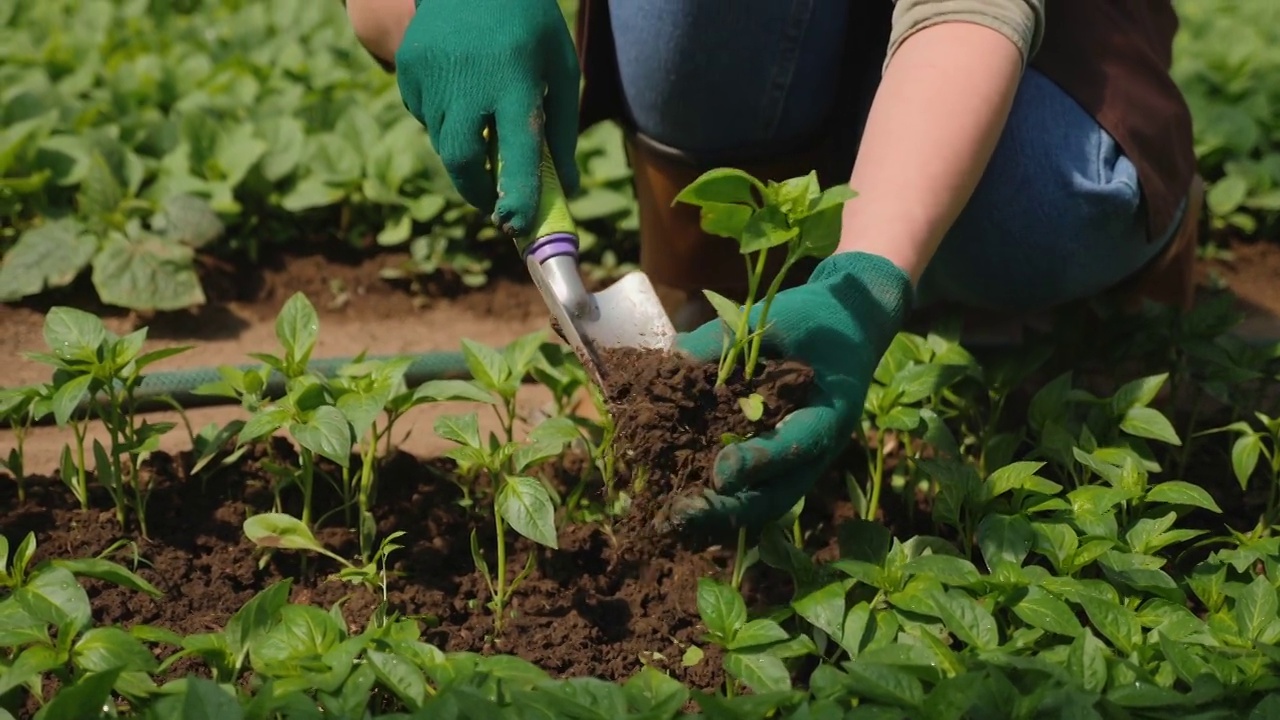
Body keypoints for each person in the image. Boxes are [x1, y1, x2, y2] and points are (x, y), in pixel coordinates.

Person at [344, 0, 1201, 531]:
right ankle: (725, 249)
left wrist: (866, 285)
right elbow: (379, 10)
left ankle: (892, 227)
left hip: (1031, 45)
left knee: (1042, 214)